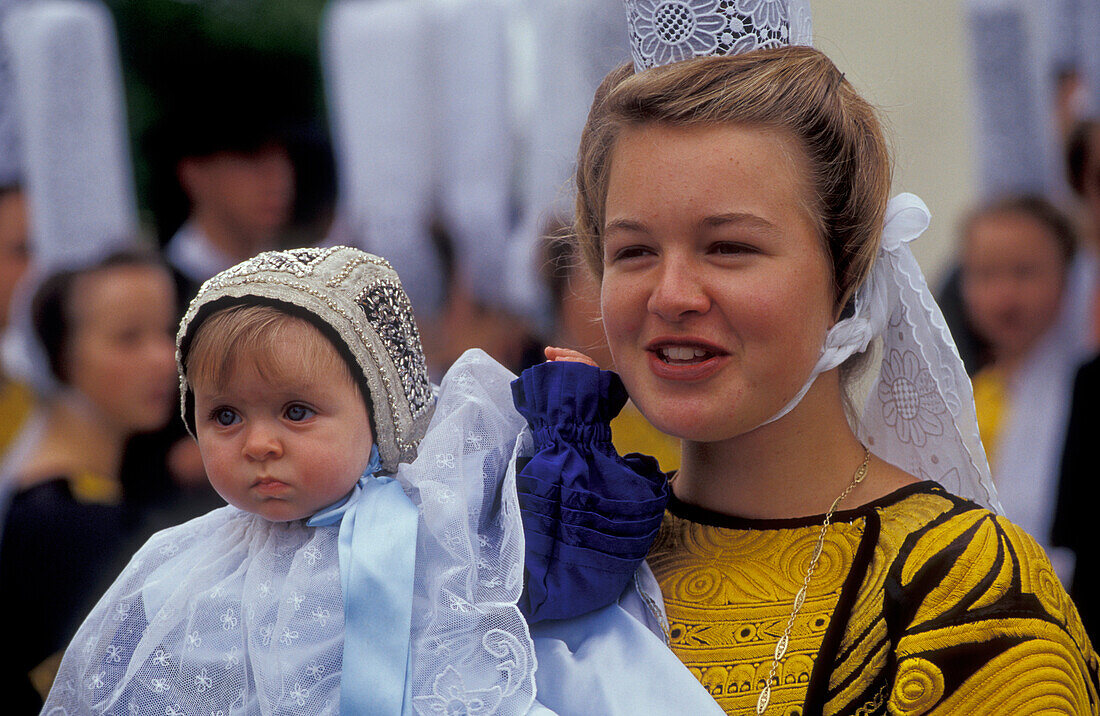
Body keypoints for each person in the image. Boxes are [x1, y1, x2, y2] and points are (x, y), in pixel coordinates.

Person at [519, 8, 1100, 712]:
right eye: (633, 252)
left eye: (729, 246)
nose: (671, 295)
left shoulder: (968, 600)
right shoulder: (562, 562)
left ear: (846, 267)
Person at [43, 246, 641, 714]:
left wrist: (572, 427)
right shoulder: (188, 565)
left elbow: (577, 563)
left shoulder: (446, 511)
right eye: (225, 415)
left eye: (296, 411)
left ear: (381, 412)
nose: (259, 444)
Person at [0, 249, 178, 711]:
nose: (164, 357)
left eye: (167, 332)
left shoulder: (88, 498)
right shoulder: (64, 521)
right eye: (127, 338)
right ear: (63, 354)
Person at [961, 196, 1082, 582]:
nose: (1005, 297)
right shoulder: (970, 394)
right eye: (986, 274)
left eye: (1025, 272)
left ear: (1067, 276)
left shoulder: (1079, 390)